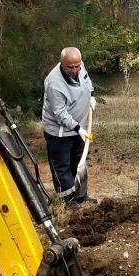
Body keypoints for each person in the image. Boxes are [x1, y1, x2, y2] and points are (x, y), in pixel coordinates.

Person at [42, 46, 96, 205]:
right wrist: (78, 129)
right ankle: (68, 201)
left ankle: (81, 197)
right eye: (70, 67)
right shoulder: (54, 83)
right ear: (62, 63)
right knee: (62, 167)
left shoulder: (80, 66)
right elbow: (60, 114)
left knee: (79, 163)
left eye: (77, 66)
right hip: (59, 133)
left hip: (79, 128)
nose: (74, 70)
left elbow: (87, 80)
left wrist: (91, 95)